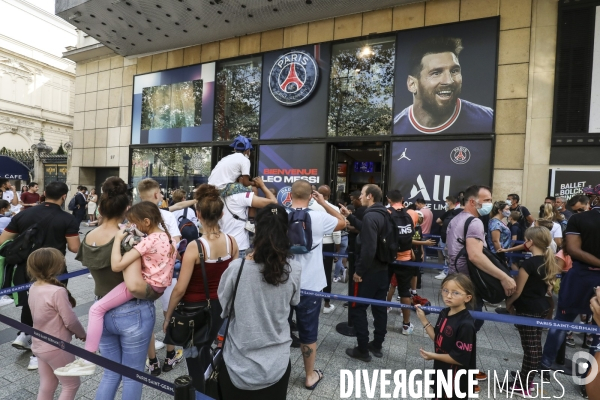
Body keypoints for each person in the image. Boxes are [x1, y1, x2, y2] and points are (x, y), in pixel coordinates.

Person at [68, 176, 155, 399]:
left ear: (100, 209)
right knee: (132, 375)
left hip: (102, 308)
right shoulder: (128, 239)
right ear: (127, 208)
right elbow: (135, 285)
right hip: (132, 310)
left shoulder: (88, 237)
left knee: (110, 374)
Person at [217, 204, 300, 399]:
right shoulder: (294, 269)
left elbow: (225, 308)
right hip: (277, 364)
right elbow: (294, 301)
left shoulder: (236, 268)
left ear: (256, 229)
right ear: (285, 231)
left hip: (237, 363)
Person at [164, 184, 238, 394]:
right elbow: (231, 278)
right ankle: (211, 386)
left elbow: (179, 289)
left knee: (193, 357)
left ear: (198, 214)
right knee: (207, 348)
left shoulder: (195, 247)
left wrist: (168, 316)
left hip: (193, 310)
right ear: (222, 213)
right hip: (220, 306)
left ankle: (200, 392)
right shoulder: (232, 242)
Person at [0, 181, 80, 371]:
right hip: (55, 269)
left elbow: (4, 240)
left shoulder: (23, 214)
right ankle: (37, 352)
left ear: (44, 194)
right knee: (50, 309)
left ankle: (24, 333)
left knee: (31, 301)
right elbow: (75, 247)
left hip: (26, 267)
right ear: (63, 197)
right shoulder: (66, 219)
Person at [446, 184, 516, 387]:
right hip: (467, 284)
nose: (490, 203)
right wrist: (504, 277)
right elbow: (475, 256)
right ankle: (461, 378)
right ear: (472, 201)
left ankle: (467, 369)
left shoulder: (457, 218)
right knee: (466, 329)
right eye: (486, 200)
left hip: (456, 279)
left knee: (465, 328)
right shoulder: (474, 222)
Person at [287, 180, 345, 389]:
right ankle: (310, 376)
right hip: (310, 284)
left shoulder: (280, 215)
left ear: (290, 195)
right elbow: (342, 221)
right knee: (308, 331)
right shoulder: (319, 216)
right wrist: (323, 203)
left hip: (283, 283)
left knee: (279, 328)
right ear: (312, 195)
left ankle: (278, 371)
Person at [394, 36, 493, 135]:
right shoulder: (396, 128)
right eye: (436, 73)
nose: (449, 81)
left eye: (454, 71)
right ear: (412, 84)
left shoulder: (488, 120)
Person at [503, 227, 560, 396]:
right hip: (541, 306)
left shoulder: (528, 263)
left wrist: (508, 304)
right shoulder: (548, 260)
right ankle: (527, 378)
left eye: (526, 239)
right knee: (535, 345)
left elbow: (518, 290)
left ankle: (523, 384)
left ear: (531, 242)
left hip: (528, 309)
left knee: (530, 348)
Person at [136, 178, 183, 372]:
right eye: (161, 194)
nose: (162, 196)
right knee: (168, 312)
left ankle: (152, 360)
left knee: (147, 316)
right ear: (156, 195)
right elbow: (177, 242)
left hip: (142, 276)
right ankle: (170, 355)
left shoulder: (135, 216)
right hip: (167, 274)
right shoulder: (165, 215)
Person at [27, 248, 86, 400]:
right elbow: (70, 320)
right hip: (57, 346)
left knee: (47, 384)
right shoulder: (57, 292)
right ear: (58, 266)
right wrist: (82, 334)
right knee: (71, 385)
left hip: (39, 345)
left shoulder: (33, 287)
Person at [341, 184, 389, 362]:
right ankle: (377, 345)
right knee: (379, 308)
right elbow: (369, 230)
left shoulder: (371, 216)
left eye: (361, 194)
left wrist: (358, 272)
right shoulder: (384, 213)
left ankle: (362, 349)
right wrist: (351, 216)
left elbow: (369, 247)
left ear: (369, 196)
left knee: (358, 308)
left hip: (368, 271)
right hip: (383, 269)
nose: (359, 197)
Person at [416, 273, 477, 396]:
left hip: (456, 381)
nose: (448, 296)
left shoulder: (466, 324)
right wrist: (423, 319)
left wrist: (433, 356)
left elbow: (459, 359)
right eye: (445, 290)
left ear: (468, 298)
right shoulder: (444, 312)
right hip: (441, 372)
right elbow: (438, 340)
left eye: (456, 293)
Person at [220, 176, 277, 259]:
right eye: (246, 178)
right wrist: (261, 185)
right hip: (238, 246)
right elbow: (274, 202)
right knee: (237, 272)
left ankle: (251, 220)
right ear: (240, 179)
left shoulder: (219, 195)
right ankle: (251, 220)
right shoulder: (241, 196)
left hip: (220, 245)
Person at [310, 185, 341, 313]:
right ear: (329, 194)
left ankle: (309, 299)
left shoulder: (309, 206)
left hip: (312, 242)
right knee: (326, 273)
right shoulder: (333, 208)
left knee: (311, 271)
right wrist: (338, 250)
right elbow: (337, 232)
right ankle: (326, 304)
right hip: (327, 243)